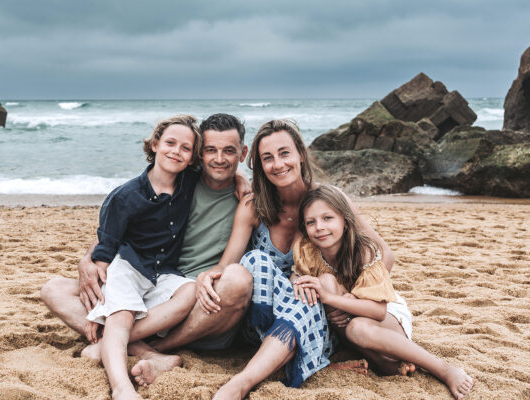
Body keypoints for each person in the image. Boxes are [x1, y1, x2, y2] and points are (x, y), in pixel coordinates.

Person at [40, 113, 252, 390]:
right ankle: (144, 354)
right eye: (210, 150)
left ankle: (115, 341)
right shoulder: (169, 185)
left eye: (229, 151)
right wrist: (90, 260)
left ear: (242, 153)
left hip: (195, 303)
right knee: (53, 288)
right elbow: (117, 232)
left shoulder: (241, 195)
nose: (219, 158)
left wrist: (242, 178)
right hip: (148, 282)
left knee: (227, 283)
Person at [212, 119, 394, 399]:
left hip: (317, 317)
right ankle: (286, 359)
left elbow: (384, 254)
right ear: (259, 166)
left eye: (284, 153)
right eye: (267, 158)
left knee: (309, 292)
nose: (278, 164)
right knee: (256, 259)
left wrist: (349, 297)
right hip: (261, 322)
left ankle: (242, 382)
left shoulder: (327, 203)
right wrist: (205, 278)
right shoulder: (253, 206)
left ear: (300, 153)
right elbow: (228, 266)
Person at [291, 185, 474, 399]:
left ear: (345, 221)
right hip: (348, 322)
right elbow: (298, 275)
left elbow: (377, 310)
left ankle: (443, 369)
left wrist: (332, 299)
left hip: (384, 315)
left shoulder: (363, 251)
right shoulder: (307, 250)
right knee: (326, 282)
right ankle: (388, 364)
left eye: (327, 218)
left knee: (357, 327)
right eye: (311, 222)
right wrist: (297, 281)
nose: (319, 227)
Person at [85, 114, 202, 400]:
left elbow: (222, 175)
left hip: (163, 272)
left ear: (191, 158)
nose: (176, 151)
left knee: (190, 292)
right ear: (154, 145)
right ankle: (121, 387)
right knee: (120, 313)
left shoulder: (190, 184)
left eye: (185, 148)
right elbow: (106, 247)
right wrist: (99, 291)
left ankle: (108, 341)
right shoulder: (124, 196)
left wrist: (239, 179)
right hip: (128, 265)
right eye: (170, 143)